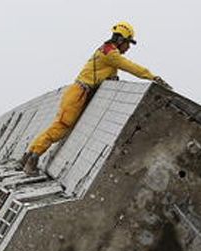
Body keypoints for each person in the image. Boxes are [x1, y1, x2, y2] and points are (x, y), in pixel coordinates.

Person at [19, 21, 170, 176]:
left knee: (56, 127)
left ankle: (26, 157)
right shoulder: (110, 54)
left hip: (76, 93)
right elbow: (131, 67)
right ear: (121, 40)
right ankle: (32, 161)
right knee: (59, 129)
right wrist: (153, 77)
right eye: (128, 43)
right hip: (78, 95)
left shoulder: (106, 51)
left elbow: (110, 73)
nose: (128, 47)